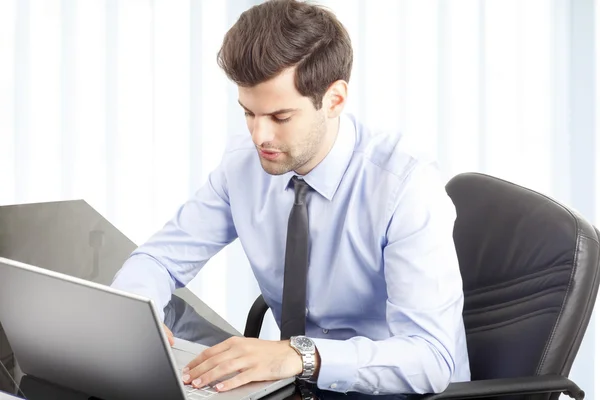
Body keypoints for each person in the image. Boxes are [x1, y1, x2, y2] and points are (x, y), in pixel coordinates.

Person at [111, 0, 470, 395]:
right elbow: (159, 259)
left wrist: (300, 355)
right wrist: (134, 316)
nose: (259, 136)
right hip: (292, 386)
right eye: (248, 113)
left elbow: (430, 358)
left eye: (280, 117)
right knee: (156, 324)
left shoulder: (405, 186)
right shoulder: (243, 165)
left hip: (388, 391)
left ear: (334, 100)